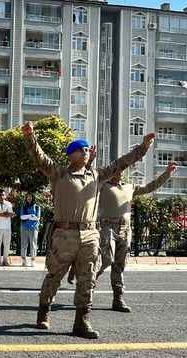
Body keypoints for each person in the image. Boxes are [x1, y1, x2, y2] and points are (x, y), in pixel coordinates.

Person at [21, 121, 155, 339]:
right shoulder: (58, 174)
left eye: (86, 149)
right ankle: (44, 311)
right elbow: (39, 157)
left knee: (88, 278)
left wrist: (143, 147)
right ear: (70, 155)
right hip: (64, 235)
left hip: (90, 234)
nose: (85, 151)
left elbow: (122, 163)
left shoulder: (96, 176)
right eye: (80, 149)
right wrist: (30, 136)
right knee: (54, 276)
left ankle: (82, 321)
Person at [97, 162, 176, 312]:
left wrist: (167, 174)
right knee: (105, 260)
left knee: (120, 265)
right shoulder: (102, 186)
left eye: (121, 170)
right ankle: (87, 288)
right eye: (115, 170)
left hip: (125, 230)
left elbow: (149, 187)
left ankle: (118, 299)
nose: (119, 173)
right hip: (107, 227)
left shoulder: (129, 187)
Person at [19, 193, 41, 267]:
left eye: (30, 197)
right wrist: (31, 215)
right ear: (26, 198)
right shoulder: (23, 207)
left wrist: (27, 217)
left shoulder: (37, 207)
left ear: (33, 198)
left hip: (33, 228)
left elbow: (37, 218)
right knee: (24, 244)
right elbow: (22, 217)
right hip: (24, 227)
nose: (29, 198)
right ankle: (23, 260)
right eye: (28, 197)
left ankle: (32, 260)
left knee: (33, 244)